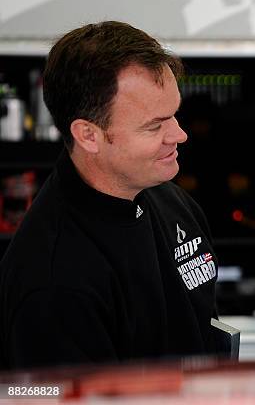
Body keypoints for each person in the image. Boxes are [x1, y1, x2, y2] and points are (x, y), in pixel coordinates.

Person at [0, 21, 221, 369]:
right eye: (154, 125)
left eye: (174, 114)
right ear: (89, 135)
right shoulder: (52, 282)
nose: (179, 135)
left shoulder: (171, 201)